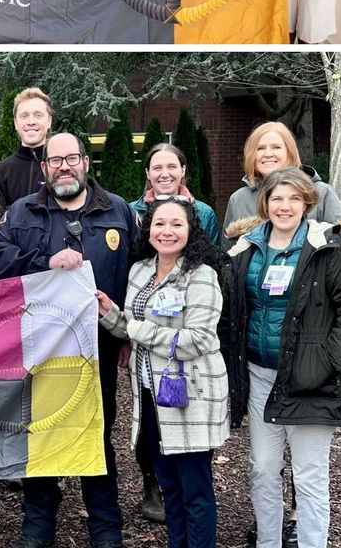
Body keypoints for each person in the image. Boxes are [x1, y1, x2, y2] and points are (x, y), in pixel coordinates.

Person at [0, 132, 137, 548]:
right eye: (55, 160)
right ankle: (37, 530)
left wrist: (126, 332)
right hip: (41, 349)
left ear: (86, 163)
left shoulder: (118, 210)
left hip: (96, 350)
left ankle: (106, 531)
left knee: (97, 433)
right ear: (44, 168)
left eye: (72, 158)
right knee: (43, 433)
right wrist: (44, 262)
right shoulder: (21, 212)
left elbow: (137, 274)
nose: (64, 166)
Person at [227, 167, 341, 548]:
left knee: (309, 476)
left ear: (308, 202)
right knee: (262, 470)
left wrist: (325, 362)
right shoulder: (247, 248)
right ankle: (268, 542)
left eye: (294, 198)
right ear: (264, 203)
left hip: (310, 380)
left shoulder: (327, 247)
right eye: (277, 198)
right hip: (259, 376)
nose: (285, 206)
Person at [96, 197, 229, 548]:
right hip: (151, 395)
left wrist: (138, 330)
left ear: (191, 231)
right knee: (169, 485)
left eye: (176, 224)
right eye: (159, 223)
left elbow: (196, 340)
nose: (166, 231)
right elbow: (128, 327)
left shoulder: (201, 275)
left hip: (191, 394)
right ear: (148, 227)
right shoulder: (140, 270)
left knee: (195, 489)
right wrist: (108, 312)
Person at [222, 121, 341, 245]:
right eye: (260, 148)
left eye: (276, 147)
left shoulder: (322, 193)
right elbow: (228, 252)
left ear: (290, 153)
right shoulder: (238, 199)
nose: (268, 154)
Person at [132, 144, 219, 246]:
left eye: (172, 167)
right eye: (157, 168)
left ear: (183, 170)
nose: (164, 174)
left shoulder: (204, 213)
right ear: (148, 173)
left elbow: (214, 258)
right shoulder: (131, 212)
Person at [0, 87, 53, 214]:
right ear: (16, 123)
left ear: (49, 121)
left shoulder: (62, 169)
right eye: (24, 116)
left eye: (38, 115)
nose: (31, 122)